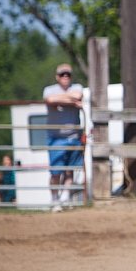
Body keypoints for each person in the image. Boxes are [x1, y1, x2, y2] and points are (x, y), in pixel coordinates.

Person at [43, 63, 84, 212]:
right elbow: (49, 100)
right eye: (62, 74)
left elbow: (78, 96)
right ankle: (55, 200)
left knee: (70, 170)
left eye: (68, 74)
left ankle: (65, 198)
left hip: (74, 137)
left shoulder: (77, 87)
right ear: (57, 77)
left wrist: (60, 99)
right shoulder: (49, 90)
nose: (65, 77)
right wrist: (71, 101)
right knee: (55, 172)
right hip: (56, 137)